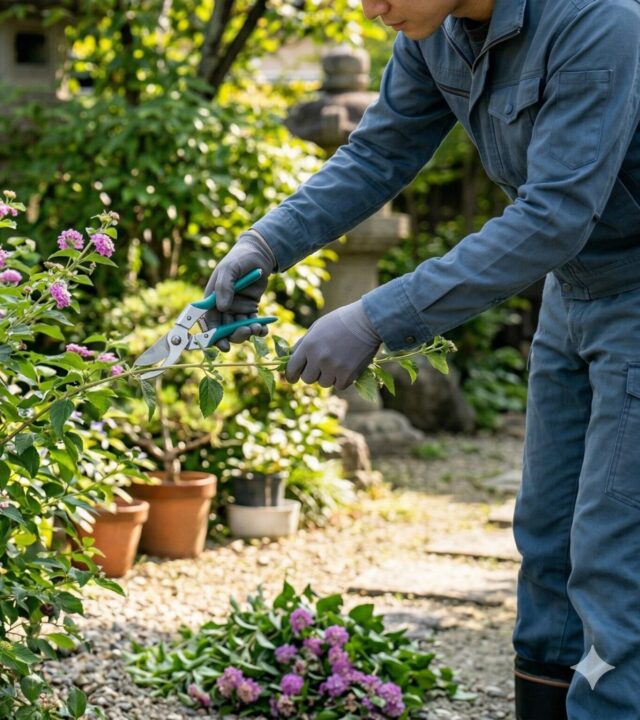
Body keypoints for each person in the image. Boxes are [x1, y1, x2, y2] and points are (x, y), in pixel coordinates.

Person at [202, 0, 640, 717]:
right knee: (548, 540)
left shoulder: (598, 20)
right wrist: (265, 243)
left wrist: (377, 317)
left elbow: (555, 214)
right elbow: (379, 152)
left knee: (614, 557)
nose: (372, 9)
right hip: (576, 292)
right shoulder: (433, 33)